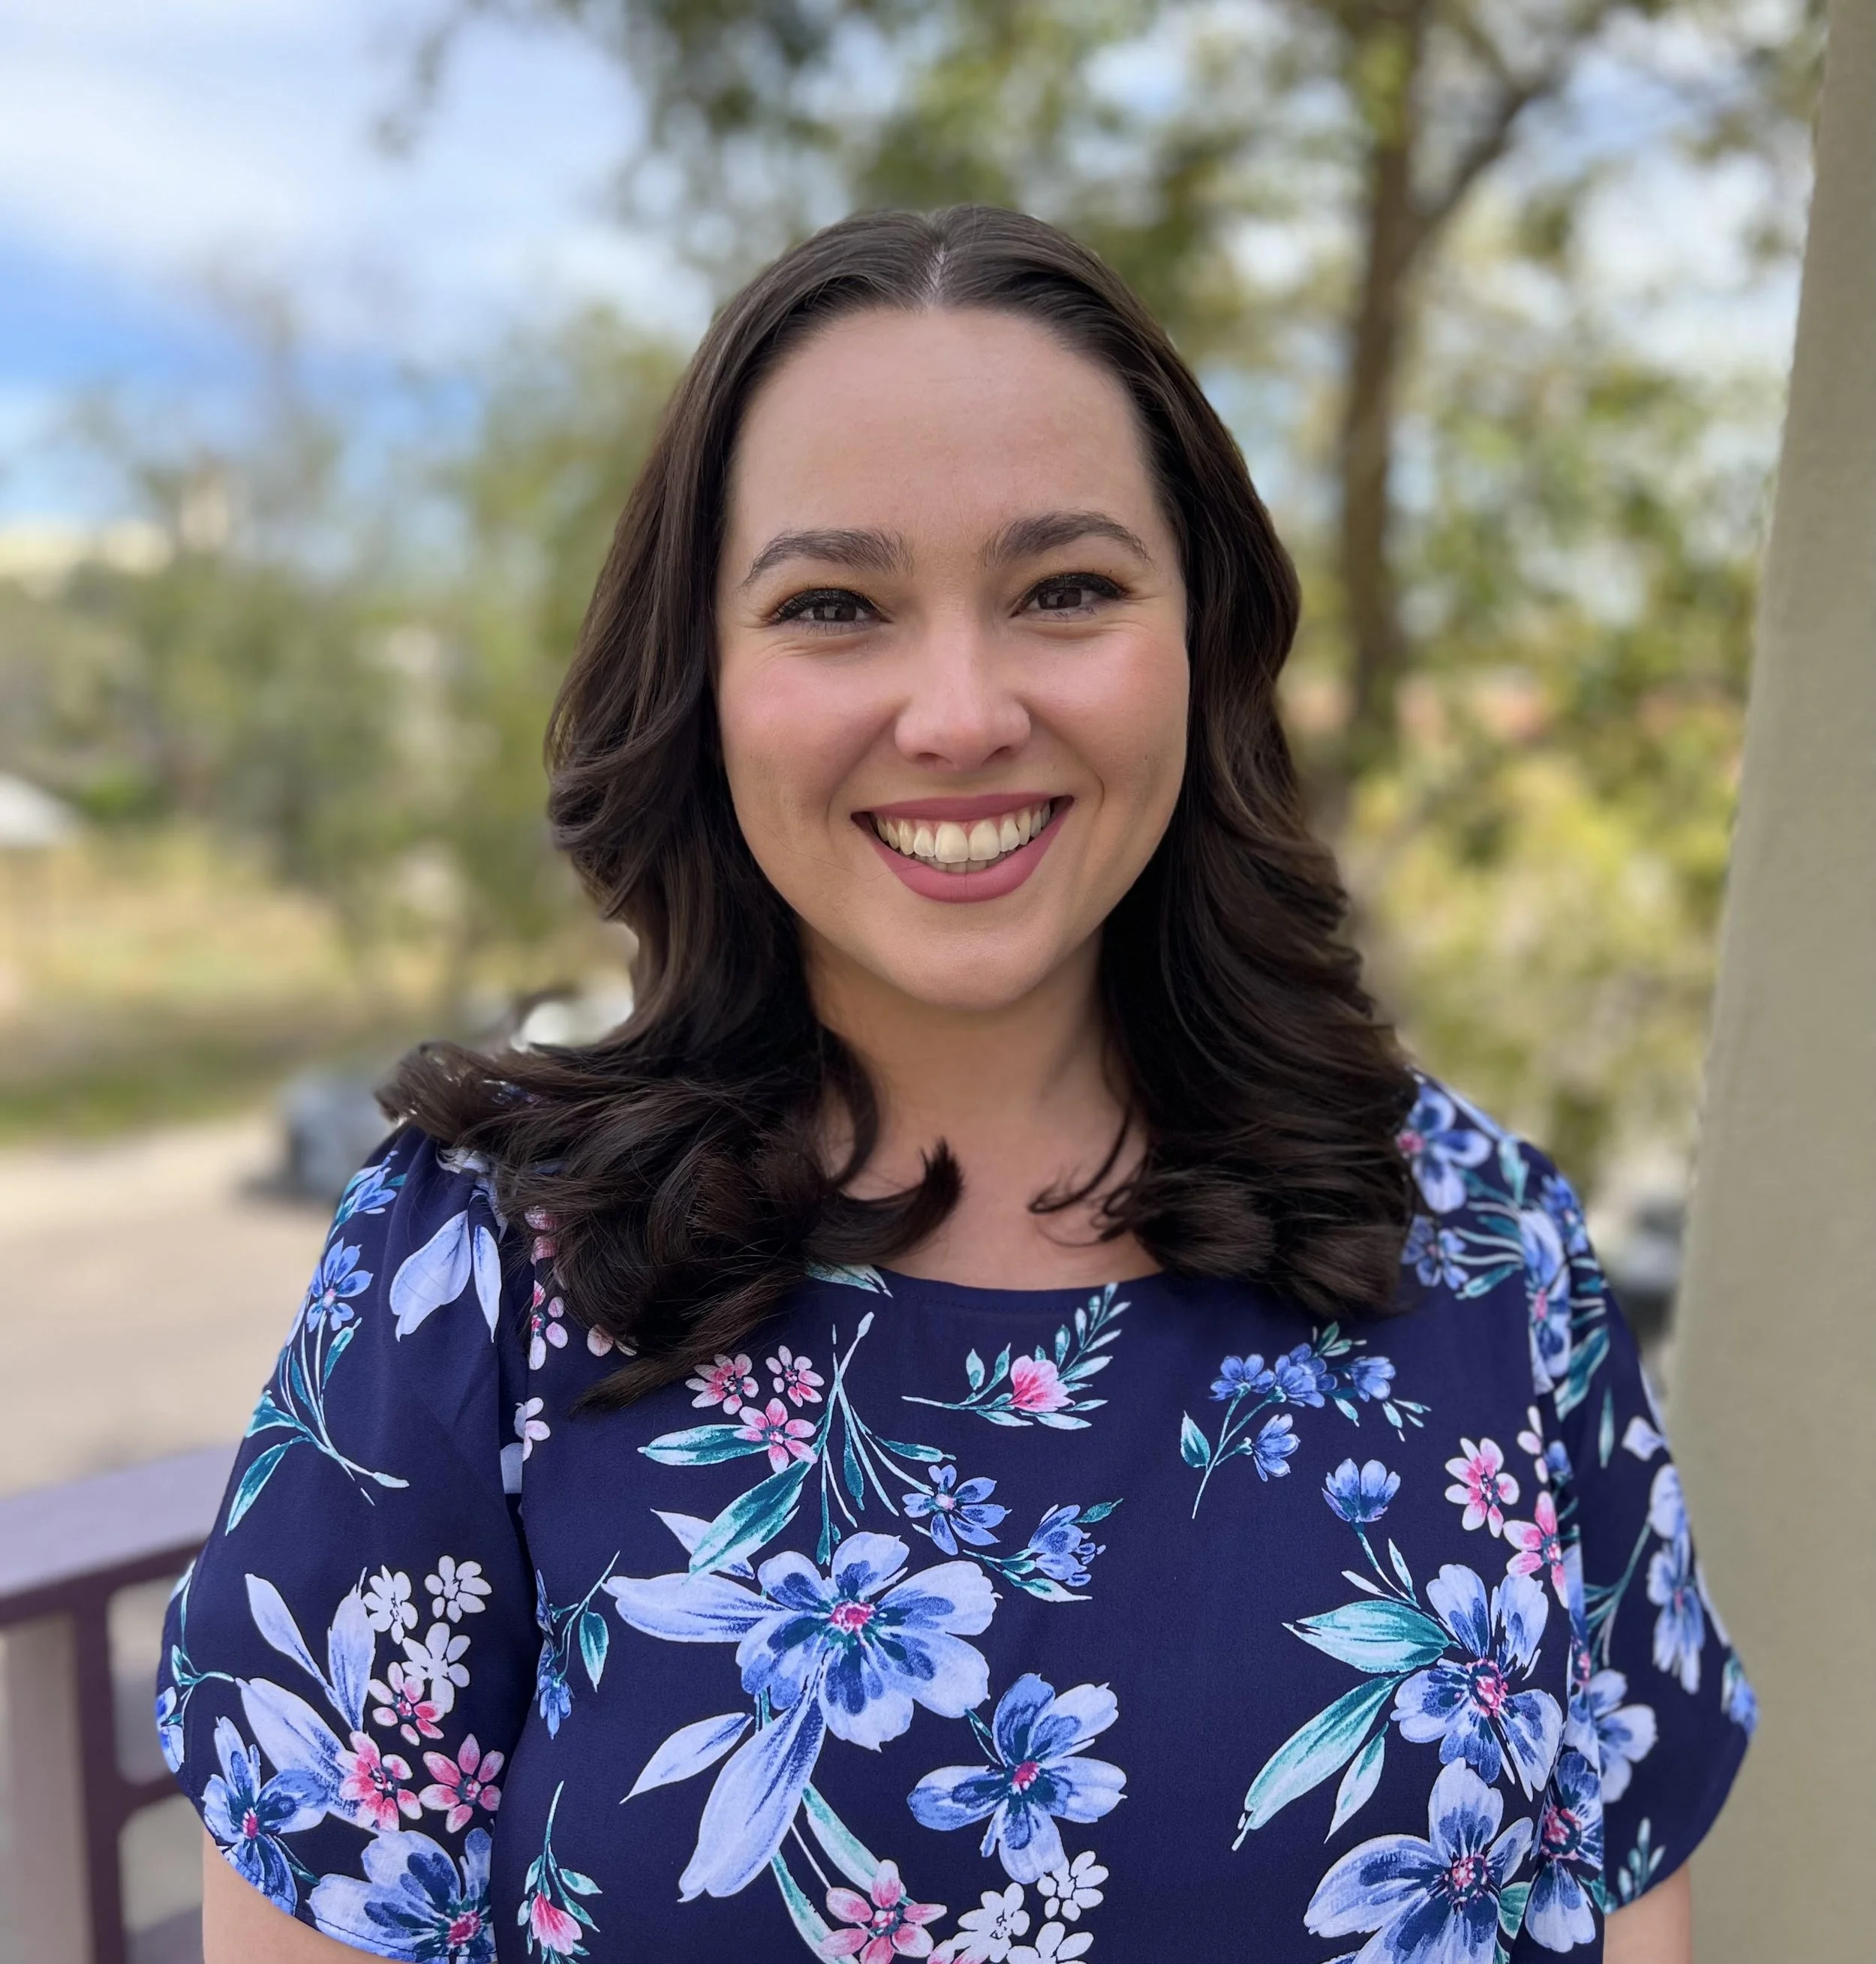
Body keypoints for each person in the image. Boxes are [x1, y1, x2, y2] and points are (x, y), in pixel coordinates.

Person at [163, 206, 1749, 1964]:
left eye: (1061, 589)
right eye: (832, 605)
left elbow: (1626, 1914)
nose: (956, 712)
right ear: (706, 681)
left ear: (1200, 636)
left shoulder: (1485, 1251)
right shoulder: (472, 1282)